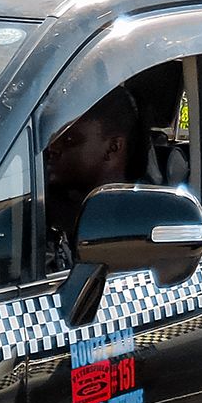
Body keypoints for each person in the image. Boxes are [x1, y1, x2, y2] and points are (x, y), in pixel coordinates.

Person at [42, 84, 143, 272]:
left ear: (113, 147)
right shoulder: (34, 215)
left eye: (70, 140)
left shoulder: (140, 220)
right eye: (50, 138)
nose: (52, 148)